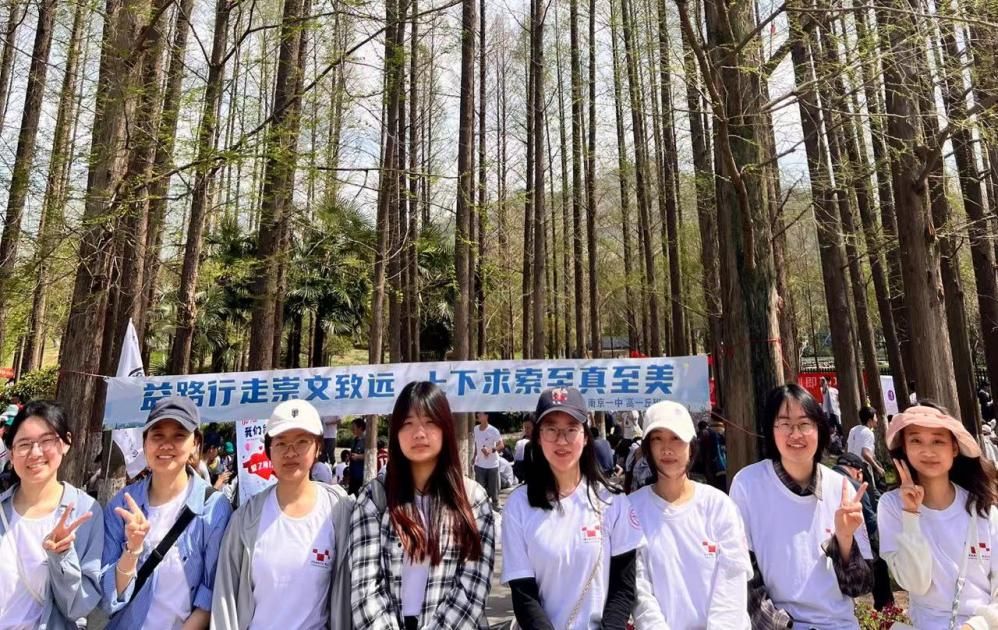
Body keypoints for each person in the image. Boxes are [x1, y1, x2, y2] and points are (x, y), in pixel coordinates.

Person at [350, 381, 496, 629]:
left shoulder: (473, 499)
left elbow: (472, 592)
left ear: (445, 428)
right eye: (408, 423)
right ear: (396, 432)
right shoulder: (374, 497)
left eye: (429, 422)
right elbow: (365, 591)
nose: (419, 433)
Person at [730, 384, 873, 630]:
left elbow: (860, 587)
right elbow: (742, 580)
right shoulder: (748, 485)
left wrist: (845, 541)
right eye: (785, 424)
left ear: (820, 429)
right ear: (771, 430)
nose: (795, 434)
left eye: (805, 424)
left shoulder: (841, 489)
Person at [502, 387, 644, 629]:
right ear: (538, 437)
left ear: (585, 436)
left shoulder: (612, 501)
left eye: (571, 429)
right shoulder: (518, 505)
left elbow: (623, 587)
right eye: (551, 429)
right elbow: (523, 593)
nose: (561, 440)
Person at [211, 399, 354, 629]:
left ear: (318, 447)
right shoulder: (245, 519)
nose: (290, 452)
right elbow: (224, 600)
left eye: (302, 442)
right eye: (281, 443)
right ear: (269, 451)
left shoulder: (340, 511)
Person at [101, 396, 233, 630]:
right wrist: (132, 550)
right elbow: (108, 597)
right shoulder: (122, 505)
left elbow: (211, 591)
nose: (166, 445)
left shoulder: (214, 508)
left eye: (179, 436)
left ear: (195, 443)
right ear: (145, 442)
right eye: (157, 435)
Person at [631, 401, 752, 629]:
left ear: (691, 446)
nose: (667, 448)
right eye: (657, 439)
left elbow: (732, 581)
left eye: (676, 438)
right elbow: (640, 590)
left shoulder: (719, 506)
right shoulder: (632, 510)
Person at [878, 403, 998, 628]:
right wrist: (911, 515)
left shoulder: (983, 509)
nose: (928, 451)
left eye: (938, 441)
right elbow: (915, 583)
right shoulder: (892, 506)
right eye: (916, 440)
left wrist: (975, 626)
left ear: (955, 448)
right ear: (904, 448)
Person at [0, 400, 103, 628]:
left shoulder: (85, 512)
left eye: (46, 440)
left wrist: (62, 556)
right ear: (12, 453)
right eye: (24, 444)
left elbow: (78, 607)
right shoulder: (2, 511)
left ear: (66, 443)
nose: (35, 453)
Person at [848, 406, 885, 494]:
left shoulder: (853, 429)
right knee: (872, 493)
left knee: (858, 491)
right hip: (863, 467)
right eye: (875, 417)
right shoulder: (868, 432)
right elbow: (864, 453)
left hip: (850, 466)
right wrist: (877, 468)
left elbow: (848, 447)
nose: (877, 420)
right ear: (870, 420)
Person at [473, 411, 503, 510]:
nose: (478, 415)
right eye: (478, 414)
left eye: (480, 414)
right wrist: (474, 457)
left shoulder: (493, 430)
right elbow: (477, 445)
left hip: (492, 465)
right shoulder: (475, 429)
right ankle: (481, 509)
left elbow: (501, 445)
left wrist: (490, 450)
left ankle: (495, 506)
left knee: (493, 490)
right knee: (479, 489)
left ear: (486, 416)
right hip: (479, 464)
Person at [349, 418, 367, 495]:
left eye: (354, 427)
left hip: (361, 475)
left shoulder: (367, 440)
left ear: (360, 428)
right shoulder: (355, 440)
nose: (352, 430)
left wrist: (358, 456)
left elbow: (371, 456)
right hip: (353, 473)